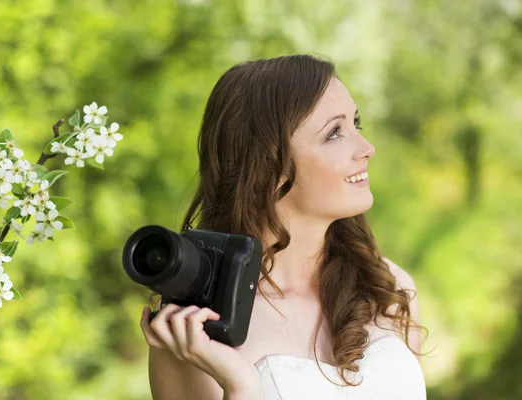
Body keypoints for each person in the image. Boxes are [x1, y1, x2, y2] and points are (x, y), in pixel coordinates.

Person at [139, 54, 430, 399]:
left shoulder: (389, 288)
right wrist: (240, 386)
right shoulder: (197, 329)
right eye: (335, 132)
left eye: (356, 124)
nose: (367, 149)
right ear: (267, 166)